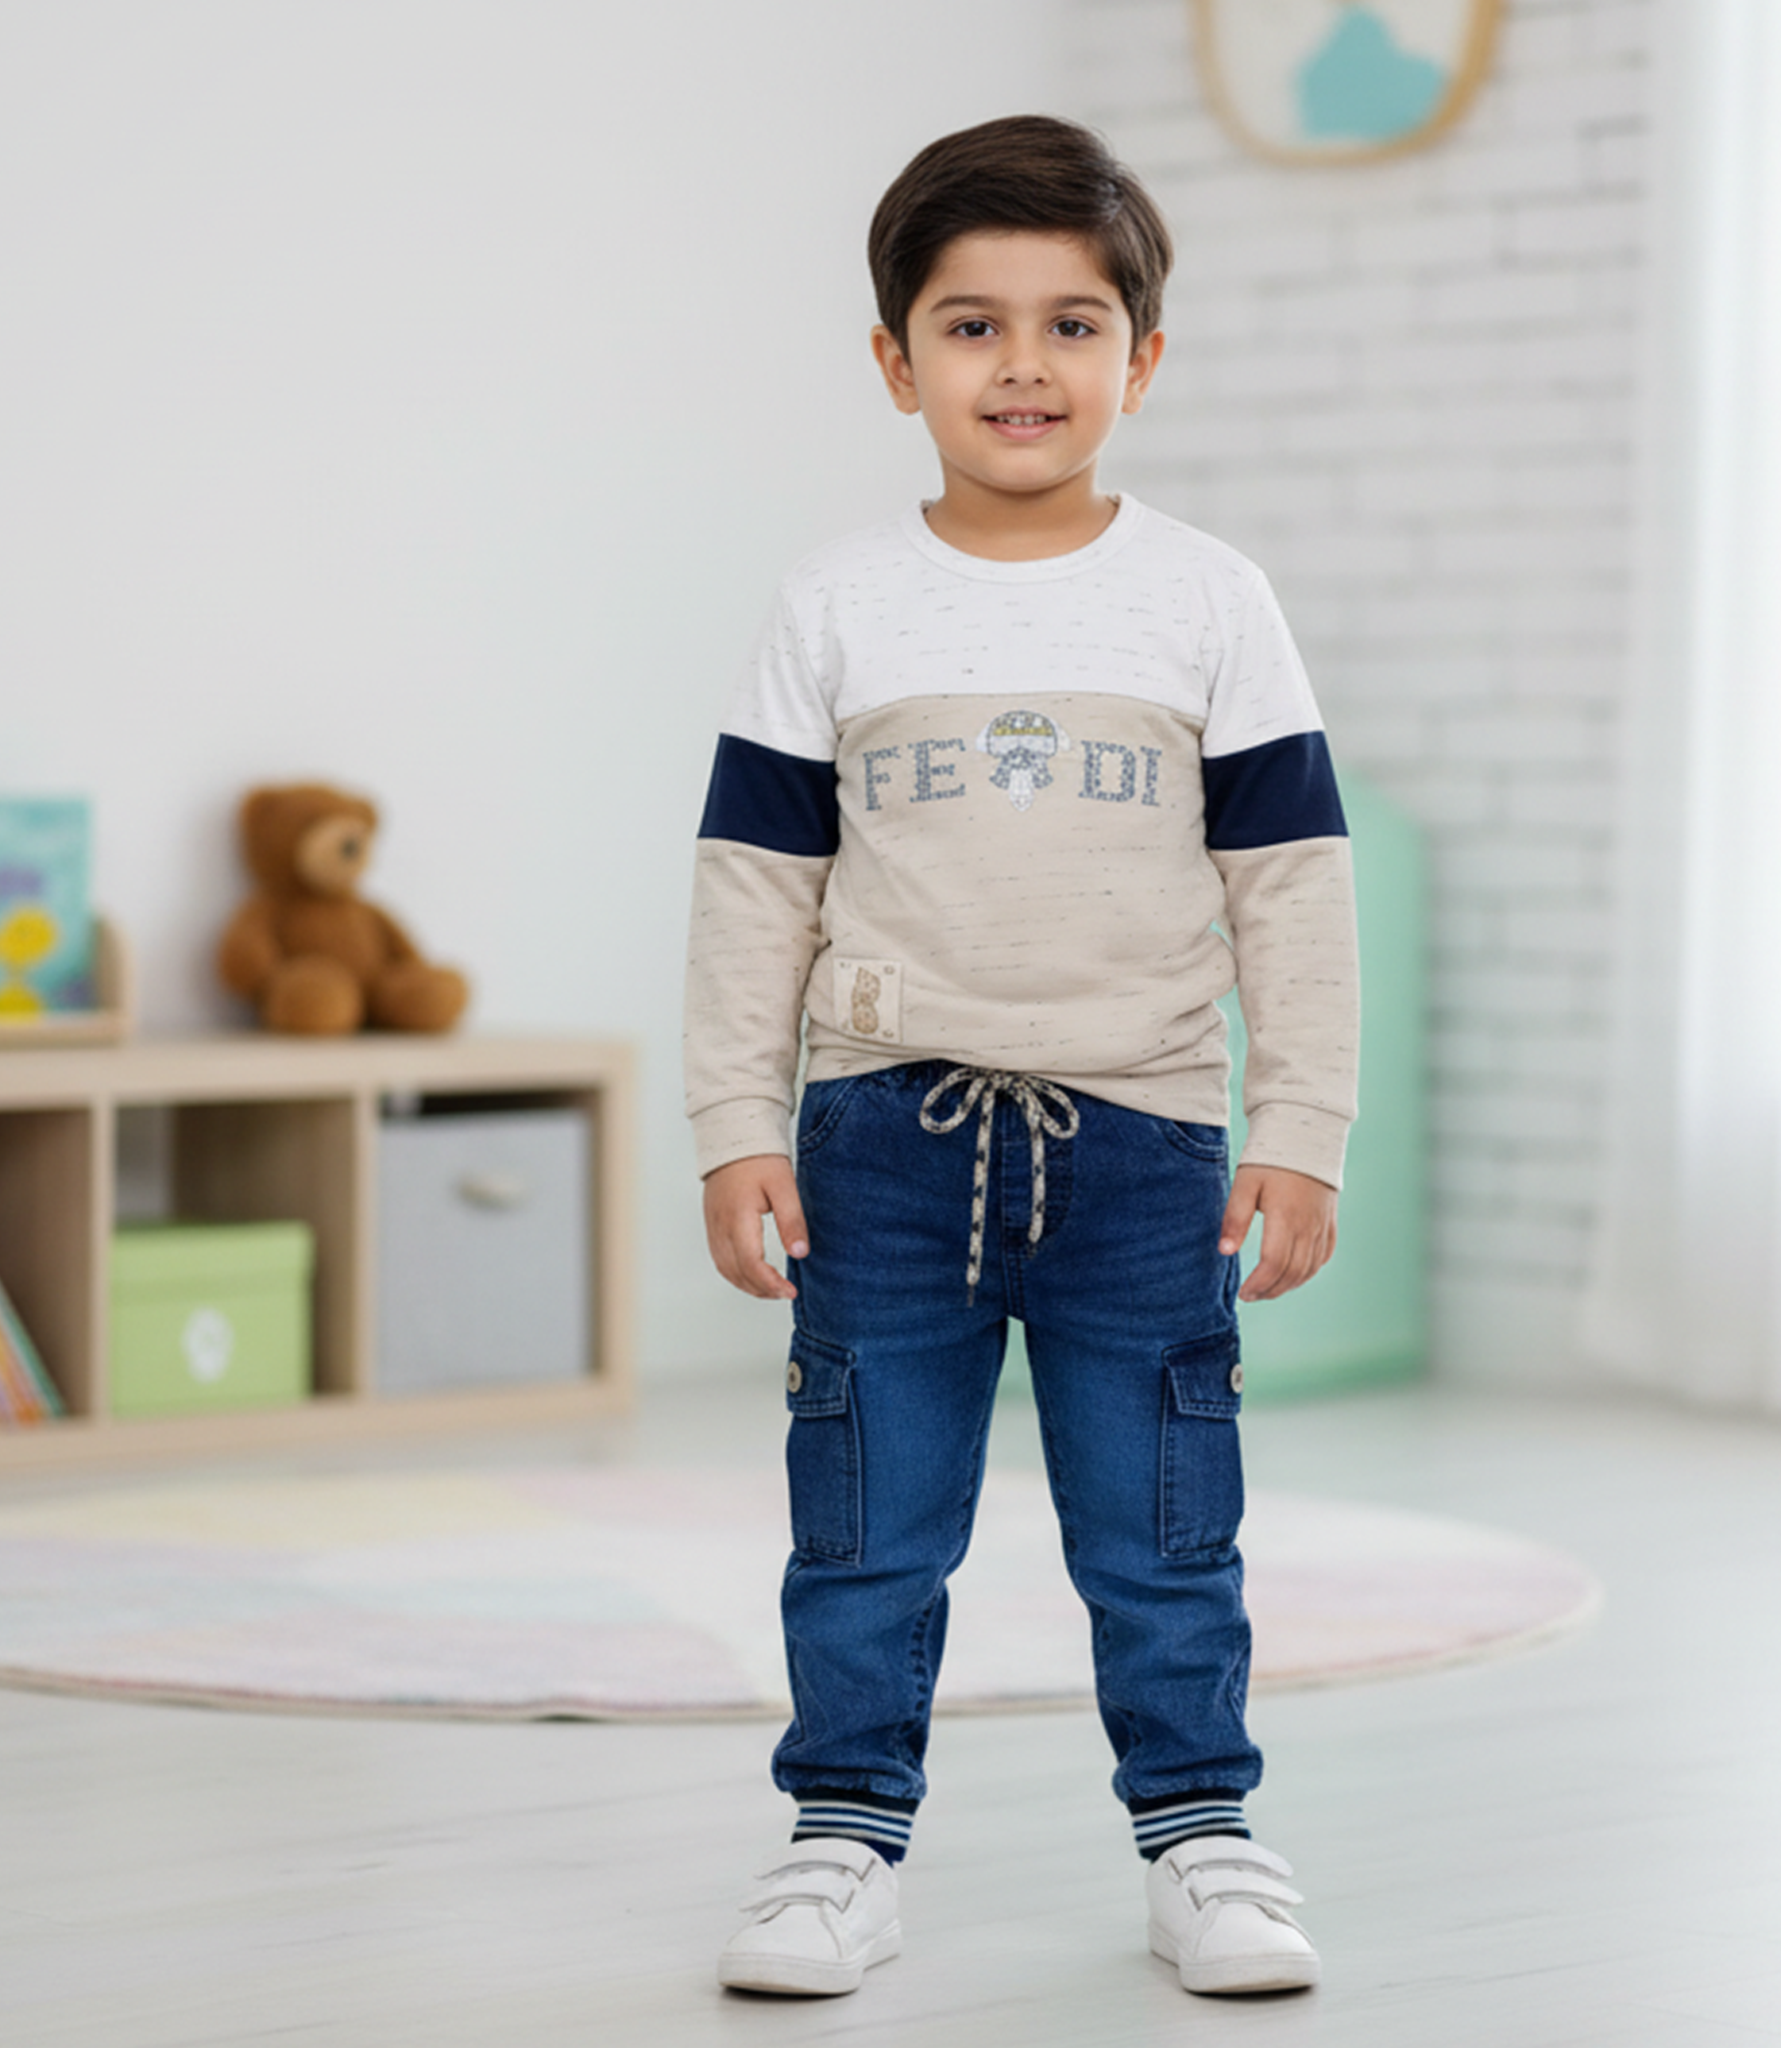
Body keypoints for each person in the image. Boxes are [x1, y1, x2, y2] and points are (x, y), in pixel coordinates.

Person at [684, 112, 1359, 1999]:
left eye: (1072, 326)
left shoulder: (1212, 602)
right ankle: (839, 1841)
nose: (1024, 366)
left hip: (1141, 1142)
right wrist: (738, 1123)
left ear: (1142, 359)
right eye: (970, 327)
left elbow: (1291, 886)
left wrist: (1298, 1125)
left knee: (1160, 1526)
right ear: (896, 363)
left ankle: (1204, 1835)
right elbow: (757, 888)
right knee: (869, 1524)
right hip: (875, 1144)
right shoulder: (834, 605)